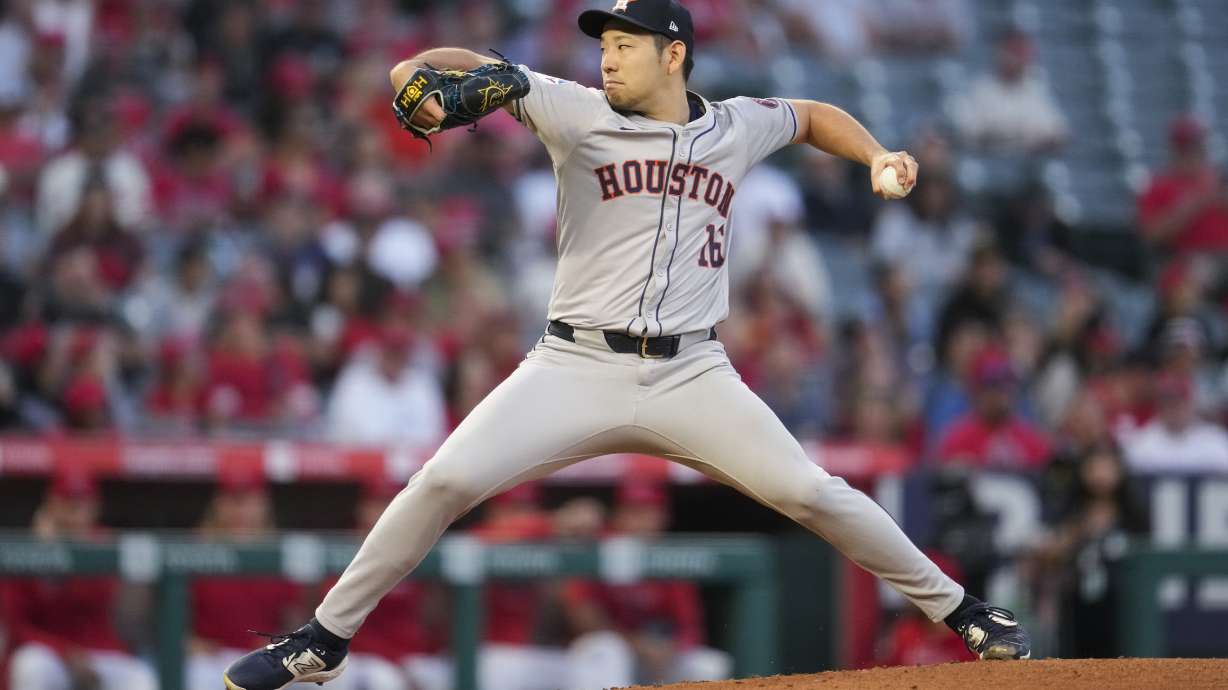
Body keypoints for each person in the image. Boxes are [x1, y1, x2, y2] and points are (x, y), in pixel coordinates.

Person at [223, 2, 1031, 688]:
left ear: (673, 53)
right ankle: (324, 640)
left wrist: (878, 154)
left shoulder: (736, 127)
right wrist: (452, 81)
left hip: (692, 372)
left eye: (623, 45)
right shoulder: (573, 108)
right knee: (442, 481)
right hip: (573, 364)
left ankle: (962, 611)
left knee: (814, 493)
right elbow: (415, 72)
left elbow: (813, 117)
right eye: (602, 44)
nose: (605, 58)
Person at [561, 481, 732, 686]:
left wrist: (669, 648)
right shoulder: (597, 546)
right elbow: (585, 621)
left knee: (710, 664)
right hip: (604, 655)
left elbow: (690, 626)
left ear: (664, 517)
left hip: (656, 656)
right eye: (634, 511)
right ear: (618, 515)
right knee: (604, 648)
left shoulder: (671, 559)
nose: (643, 520)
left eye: (651, 512)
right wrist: (636, 644)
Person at [3, 470, 157, 690]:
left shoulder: (106, 543)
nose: (72, 513)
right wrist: (45, 558)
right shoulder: (28, 548)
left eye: (80, 504)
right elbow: (16, 626)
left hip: (98, 652)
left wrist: (74, 557)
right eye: (65, 503)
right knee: (30, 666)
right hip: (49, 654)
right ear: (50, 505)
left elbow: (113, 608)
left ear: (95, 507)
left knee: (141, 679)